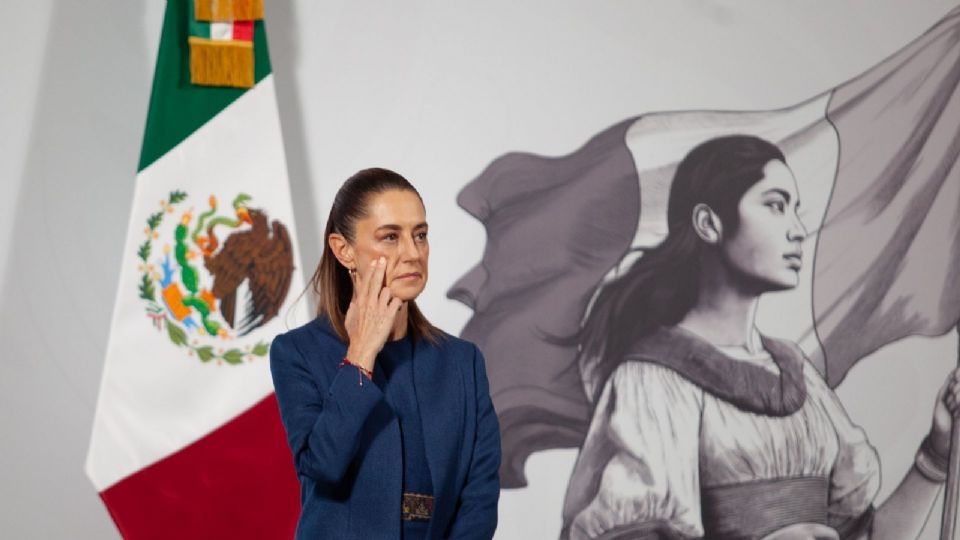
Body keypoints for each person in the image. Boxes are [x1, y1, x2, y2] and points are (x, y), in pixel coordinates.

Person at [560, 135, 959, 540]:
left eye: (795, 211)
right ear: (708, 224)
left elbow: (868, 537)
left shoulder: (798, 376)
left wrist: (937, 454)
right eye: (775, 205)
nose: (798, 230)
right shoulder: (654, 381)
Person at [270, 168, 501, 539]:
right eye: (390, 237)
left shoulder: (463, 362)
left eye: (420, 235)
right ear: (343, 250)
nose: (412, 253)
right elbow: (324, 465)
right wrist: (360, 354)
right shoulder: (297, 352)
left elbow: (479, 498)